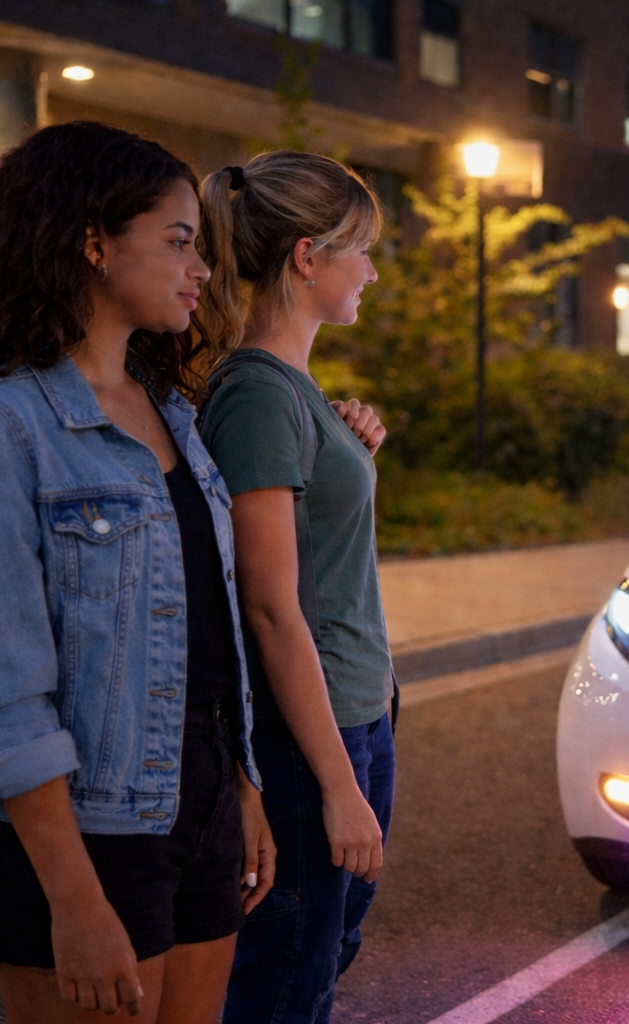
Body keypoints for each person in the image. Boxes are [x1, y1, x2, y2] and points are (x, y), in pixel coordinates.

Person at [0, 122, 275, 1023]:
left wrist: (241, 792)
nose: (202, 268)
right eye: (179, 241)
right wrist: (73, 900)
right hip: (88, 828)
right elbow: (9, 692)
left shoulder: (172, 413)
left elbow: (207, 631)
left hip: (199, 800)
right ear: (94, 243)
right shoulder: (15, 424)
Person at [196, 153, 394, 1024]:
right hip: (312, 737)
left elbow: (318, 539)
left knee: (320, 957)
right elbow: (272, 610)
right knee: (285, 986)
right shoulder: (257, 397)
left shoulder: (292, 391)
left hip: (356, 714)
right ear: (308, 257)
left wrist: (351, 442)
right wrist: (337, 786)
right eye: (363, 251)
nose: (373, 273)